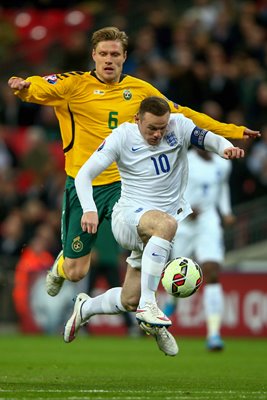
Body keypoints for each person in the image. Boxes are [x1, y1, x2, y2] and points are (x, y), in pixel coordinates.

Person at [7, 27, 257, 326]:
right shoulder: (73, 85)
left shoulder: (141, 91)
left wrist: (229, 131)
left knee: (154, 230)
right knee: (77, 271)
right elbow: (39, 86)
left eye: (115, 54)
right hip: (83, 184)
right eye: (103, 54)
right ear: (94, 56)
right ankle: (60, 269)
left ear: (125, 57)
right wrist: (23, 87)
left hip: (125, 186)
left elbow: (184, 115)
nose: (109, 60)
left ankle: (144, 302)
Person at [64, 96, 244, 356]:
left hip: (153, 234)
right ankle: (150, 306)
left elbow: (208, 138)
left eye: (162, 127)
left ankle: (86, 308)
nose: (158, 133)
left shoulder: (178, 125)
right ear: (137, 119)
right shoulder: (122, 136)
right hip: (128, 218)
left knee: (128, 299)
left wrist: (224, 148)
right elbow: (84, 175)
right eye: (151, 128)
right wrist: (89, 209)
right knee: (167, 223)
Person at [164, 147, 236, 351]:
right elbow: (170, 188)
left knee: (212, 272)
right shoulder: (183, 160)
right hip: (184, 223)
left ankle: (214, 334)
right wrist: (183, 208)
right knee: (177, 272)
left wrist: (226, 211)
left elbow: (223, 188)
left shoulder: (223, 164)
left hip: (208, 220)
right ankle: (172, 301)